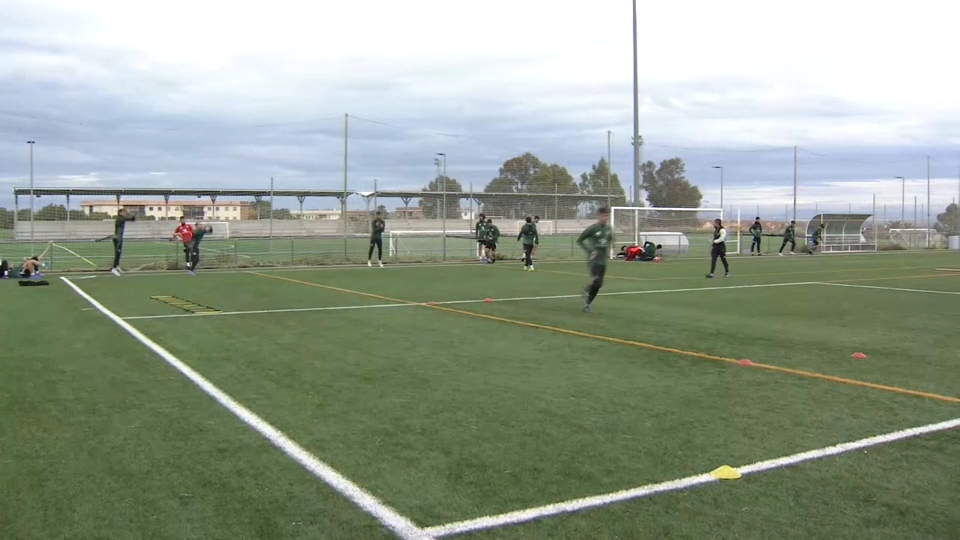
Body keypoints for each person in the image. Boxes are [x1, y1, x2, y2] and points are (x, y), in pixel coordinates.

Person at [576, 207, 614, 313]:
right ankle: (587, 304)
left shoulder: (609, 229)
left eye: (607, 215)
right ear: (599, 216)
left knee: (599, 284)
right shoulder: (593, 228)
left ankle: (587, 292)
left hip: (603, 261)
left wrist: (608, 246)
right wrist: (590, 251)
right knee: (597, 282)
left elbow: (609, 240)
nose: (606, 218)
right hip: (594, 260)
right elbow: (580, 240)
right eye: (604, 215)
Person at [111, 208, 136, 276]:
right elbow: (129, 218)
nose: (125, 213)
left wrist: (129, 214)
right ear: (120, 213)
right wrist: (128, 213)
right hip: (117, 239)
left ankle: (117, 266)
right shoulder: (120, 219)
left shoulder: (122, 218)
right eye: (124, 212)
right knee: (117, 253)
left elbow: (133, 219)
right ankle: (114, 269)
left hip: (120, 238)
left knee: (119, 253)